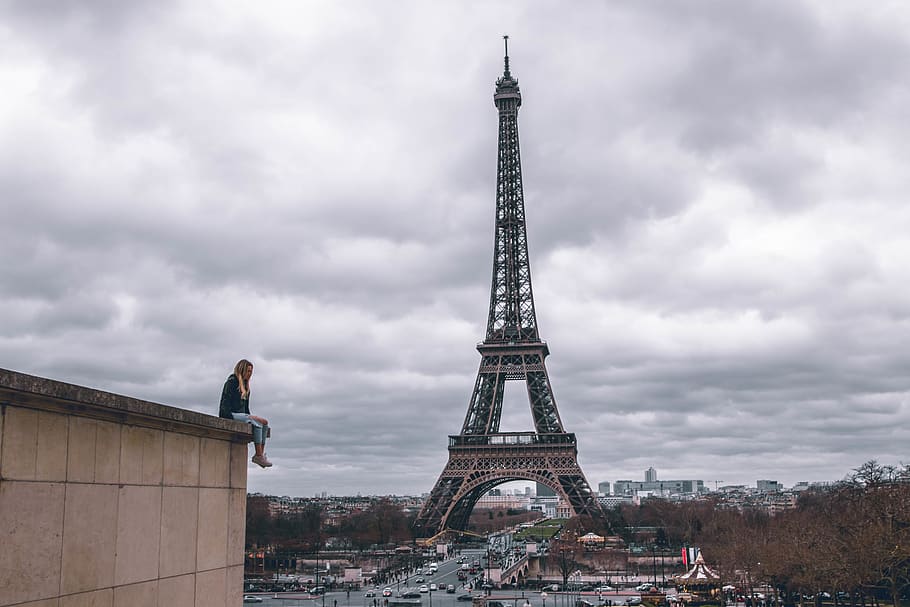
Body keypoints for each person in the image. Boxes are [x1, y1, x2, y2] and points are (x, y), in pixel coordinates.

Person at [219, 359, 272, 468]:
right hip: (229, 414)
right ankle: (258, 455)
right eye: (248, 371)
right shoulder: (232, 382)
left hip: (241, 415)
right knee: (256, 422)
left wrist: (249, 417)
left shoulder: (246, 387)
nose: (250, 374)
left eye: (251, 372)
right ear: (242, 370)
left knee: (264, 422)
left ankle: (260, 455)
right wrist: (250, 418)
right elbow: (225, 403)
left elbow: (246, 409)